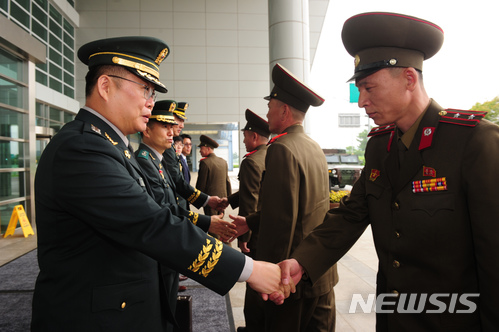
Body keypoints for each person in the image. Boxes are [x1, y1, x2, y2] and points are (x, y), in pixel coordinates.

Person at [31, 36, 284, 331]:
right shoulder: (82, 149)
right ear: (105, 86)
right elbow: (151, 223)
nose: (151, 101)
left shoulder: (112, 146)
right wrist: (247, 269)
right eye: (145, 89)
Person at [276, 12, 499, 331]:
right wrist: (302, 262)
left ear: (409, 79)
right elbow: (353, 215)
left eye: (369, 88)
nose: (361, 102)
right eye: (359, 90)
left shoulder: (474, 142)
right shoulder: (380, 146)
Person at [230, 63, 338, 332]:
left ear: (284, 111)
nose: (267, 114)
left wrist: (274, 277)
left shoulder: (282, 149)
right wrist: (251, 222)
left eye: (270, 107)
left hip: (292, 277)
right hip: (319, 271)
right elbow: (302, 207)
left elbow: (282, 222)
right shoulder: (313, 147)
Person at [135, 101, 236, 330]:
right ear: (146, 129)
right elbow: (165, 209)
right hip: (164, 239)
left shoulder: (156, 159)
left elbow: (177, 188)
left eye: (174, 126)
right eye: (165, 126)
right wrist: (207, 222)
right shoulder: (144, 160)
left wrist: (207, 203)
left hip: (171, 236)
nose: (173, 132)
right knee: (162, 310)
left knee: (169, 307)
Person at [227, 109, 270, 332]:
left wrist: (245, 237)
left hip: (255, 232)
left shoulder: (252, 162)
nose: (243, 141)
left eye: (244, 136)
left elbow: (250, 202)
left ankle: (253, 327)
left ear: (254, 136)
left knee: (254, 282)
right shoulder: (271, 155)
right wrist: (228, 199)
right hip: (269, 228)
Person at [162, 101, 224, 212]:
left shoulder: (170, 149)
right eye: (179, 120)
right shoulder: (167, 149)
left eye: (183, 121)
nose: (182, 125)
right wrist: (206, 200)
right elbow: (177, 180)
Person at [196, 135, 232, 216]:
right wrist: (228, 198)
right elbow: (227, 181)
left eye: (201, 148)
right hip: (223, 199)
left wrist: (196, 199)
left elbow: (201, 184)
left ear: (208, 148)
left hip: (211, 200)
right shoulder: (223, 161)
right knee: (220, 220)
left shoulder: (205, 163)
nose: (200, 151)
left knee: (212, 224)